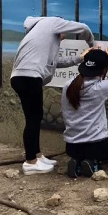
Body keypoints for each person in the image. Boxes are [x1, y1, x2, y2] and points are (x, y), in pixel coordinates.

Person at [10, 16, 95, 176]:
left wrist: (80, 58)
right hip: (29, 77)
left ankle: (37, 156)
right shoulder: (52, 22)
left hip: (22, 77)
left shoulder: (41, 35)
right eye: (64, 32)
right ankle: (30, 162)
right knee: (33, 120)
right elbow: (84, 28)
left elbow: (56, 62)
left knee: (35, 118)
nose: (64, 36)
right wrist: (92, 46)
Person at [61, 46, 108, 178]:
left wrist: (91, 56)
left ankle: (77, 162)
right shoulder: (99, 88)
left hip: (71, 146)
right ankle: (92, 162)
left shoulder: (68, 85)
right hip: (96, 146)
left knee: (80, 151)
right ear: (103, 70)